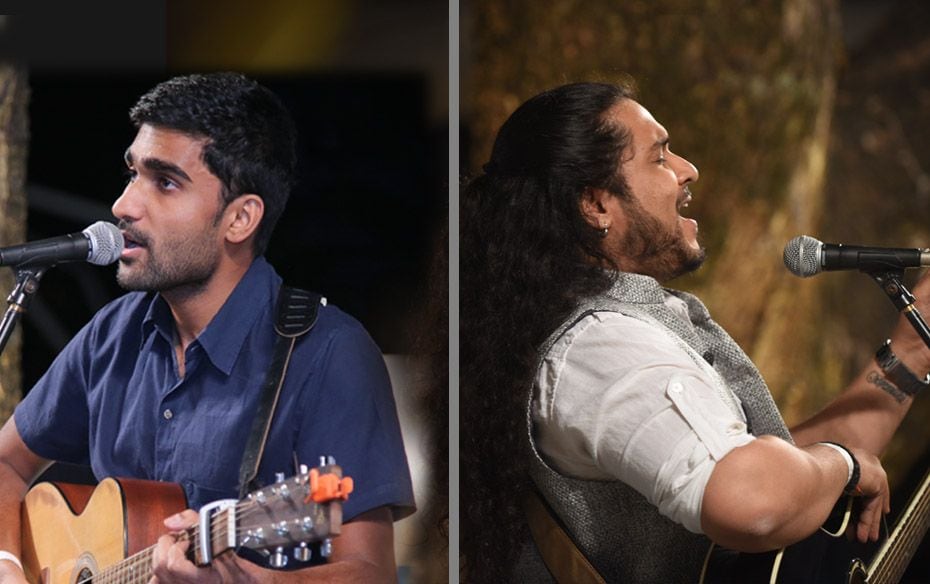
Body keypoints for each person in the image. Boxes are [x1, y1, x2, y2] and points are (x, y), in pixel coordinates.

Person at [460, 81, 930, 582]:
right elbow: (753, 500)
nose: (688, 170)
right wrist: (845, 465)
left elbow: (783, 475)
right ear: (596, 204)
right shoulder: (602, 345)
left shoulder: (605, 327)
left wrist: (911, 354)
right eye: (659, 157)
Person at [0, 72, 414, 583]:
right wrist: (9, 567)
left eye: (165, 182)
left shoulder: (328, 354)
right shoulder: (112, 335)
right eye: (132, 174)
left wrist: (253, 582)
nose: (123, 206)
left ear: (240, 220)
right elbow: (6, 464)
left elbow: (370, 575)